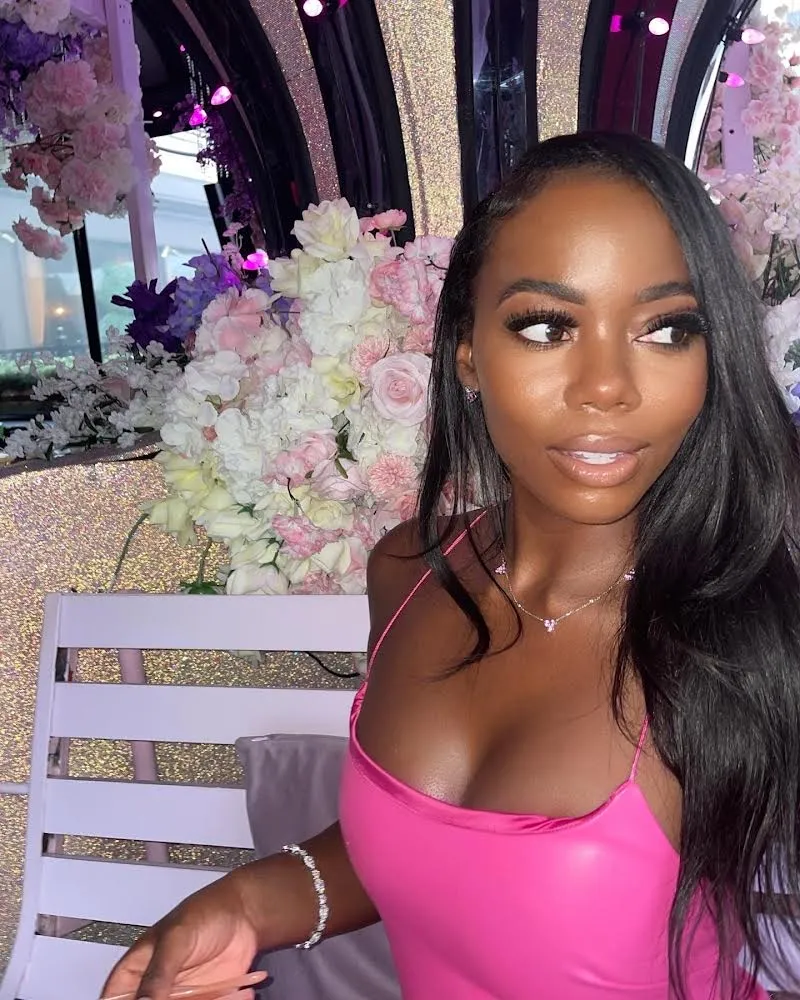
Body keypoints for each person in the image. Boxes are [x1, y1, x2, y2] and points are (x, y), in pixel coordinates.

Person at [103, 131, 800, 1000]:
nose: (607, 386)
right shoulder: (409, 572)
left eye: (665, 330)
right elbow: (430, 862)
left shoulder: (749, 623)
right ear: (468, 350)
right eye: (546, 326)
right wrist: (239, 904)